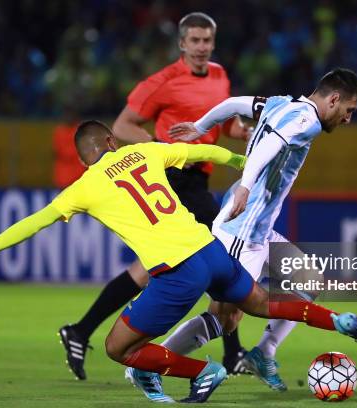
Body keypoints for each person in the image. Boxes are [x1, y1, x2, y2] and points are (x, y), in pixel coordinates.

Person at [0, 120, 357, 403]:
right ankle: (343, 320)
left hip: (177, 273)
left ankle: (204, 371)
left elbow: (31, 223)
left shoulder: (81, 188)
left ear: (85, 158)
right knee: (262, 302)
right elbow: (206, 153)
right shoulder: (146, 152)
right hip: (211, 250)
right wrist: (244, 162)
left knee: (119, 348)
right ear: (110, 141)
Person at [129, 68, 357, 398]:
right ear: (333, 99)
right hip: (240, 232)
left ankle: (263, 353)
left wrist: (201, 127)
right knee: (225, 319)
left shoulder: (278, 103)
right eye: (349, 110)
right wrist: (245, 187)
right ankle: (146, 365)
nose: (348, 119)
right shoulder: (307, 121)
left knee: (310, 281)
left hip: (259, 229)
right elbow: (268, 145)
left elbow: (232, 104)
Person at [58, 11, 251, 381]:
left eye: (206, 41)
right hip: (175, 177)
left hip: (198, 180)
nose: (201, 47)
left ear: (213, 42)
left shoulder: (219, 75)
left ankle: (80, 331)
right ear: (181, 44)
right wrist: (159, 147)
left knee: (152, 269)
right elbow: (122, 124)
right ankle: (233, 353)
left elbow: (222, 120)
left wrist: (242, 130)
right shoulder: (162, 82)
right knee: (220, 255)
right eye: (194, 41)